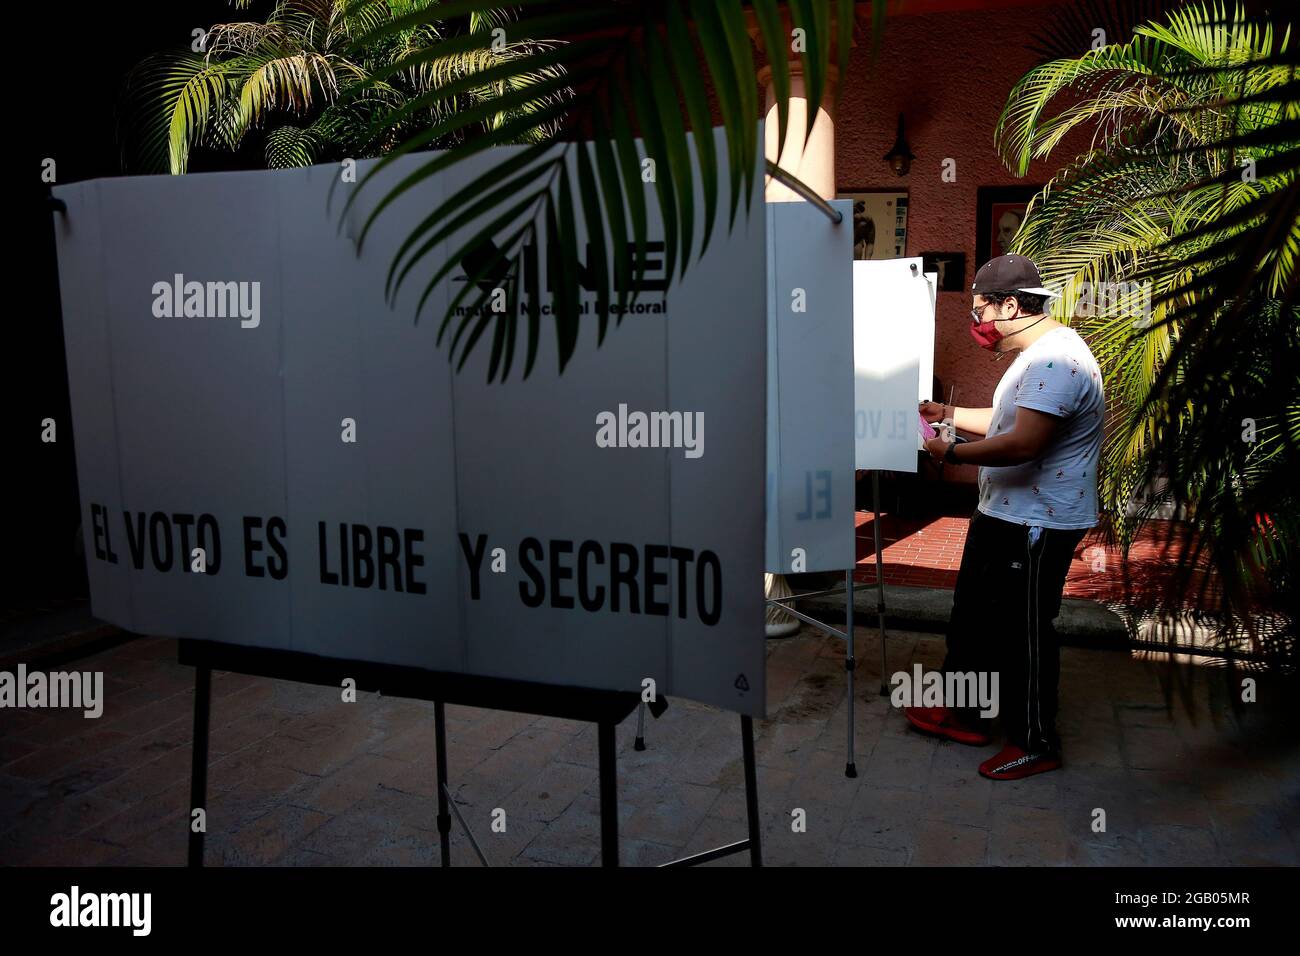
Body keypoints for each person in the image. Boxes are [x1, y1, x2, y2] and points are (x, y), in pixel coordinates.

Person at [907, 254, 1104, 780]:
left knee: (1024, 632)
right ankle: (966, 714)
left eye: (979, 311)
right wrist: (946, 415)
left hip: (1037, 524)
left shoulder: (1055, 360)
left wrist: (948, 455)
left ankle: (1036, 741)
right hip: (1004, 515)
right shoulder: (1035, 356)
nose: (976, 324)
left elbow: (1023, 443)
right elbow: (1005, 420)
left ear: (1010, 305)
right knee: (972, 619)